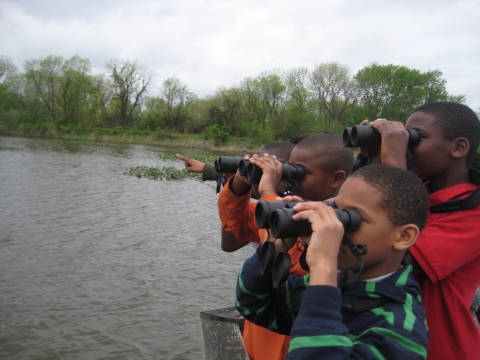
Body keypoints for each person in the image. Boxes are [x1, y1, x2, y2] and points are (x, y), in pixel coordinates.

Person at [236, 164, 430, 359]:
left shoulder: (401, 328)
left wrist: (323, 267)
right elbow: (253, 304)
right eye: (334, 210)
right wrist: (273, 249)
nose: (335, 227)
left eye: (351, 218)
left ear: (404, 236)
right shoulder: (339, 284)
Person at [219, 134, 353, 360]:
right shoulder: (292, 205)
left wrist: (269, 194)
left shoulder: (338, 224)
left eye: (301, 172)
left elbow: (286, 258)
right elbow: (235, 225)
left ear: (336, 179)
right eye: (291, 170)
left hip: (292, 344)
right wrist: (240, 183)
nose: (293, 180)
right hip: (260, 337)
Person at [365, 102, 480, 359]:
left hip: (441, 347)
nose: (406, 145)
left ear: (458, 148)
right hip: (392, 337)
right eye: (404, 135)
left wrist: (395, 164)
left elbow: (396, 258)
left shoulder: (474, 211)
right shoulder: (422, 192)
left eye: (416, 137)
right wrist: (375, 161)